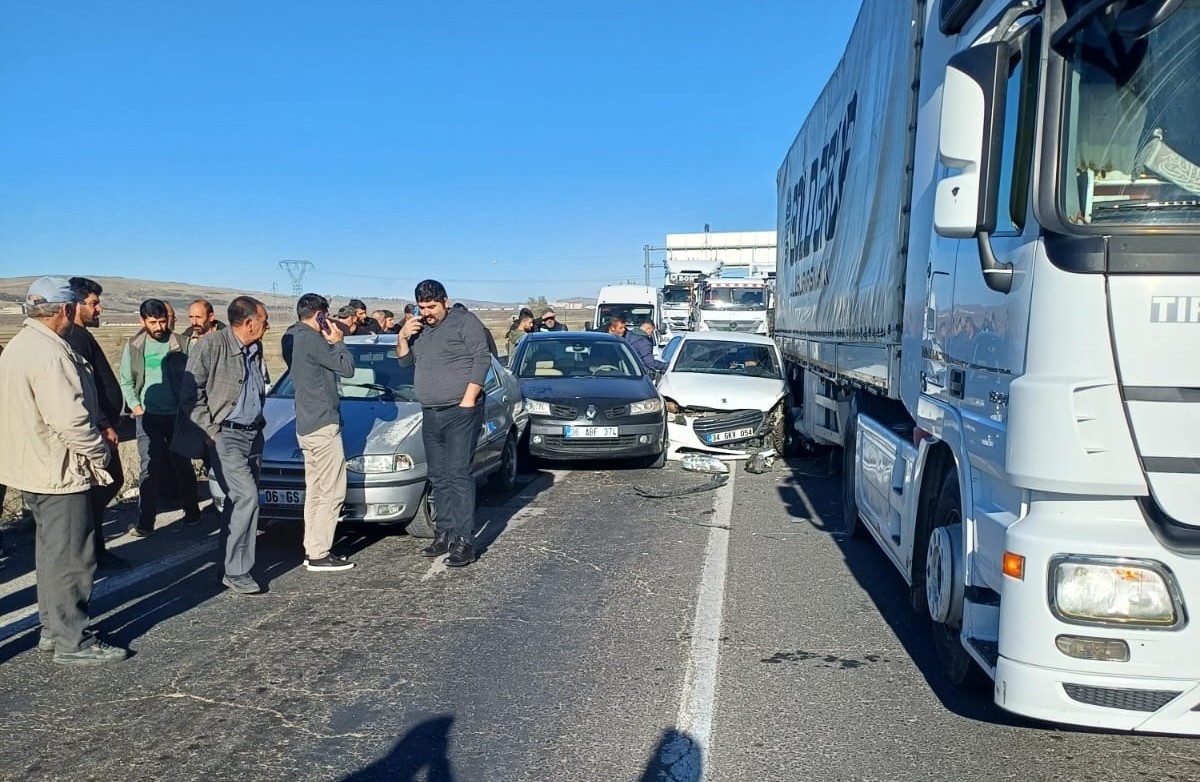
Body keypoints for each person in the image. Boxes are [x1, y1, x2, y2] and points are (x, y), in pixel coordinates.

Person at [0, 277, 127, 664]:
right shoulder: (52, 354)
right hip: (59, 470)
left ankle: (53, 630)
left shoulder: (19, 347)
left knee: (52, 555)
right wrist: (98, 453)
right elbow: (71, 421)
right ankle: (73, 639)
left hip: (31, 468)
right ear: (66, 310)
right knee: (74, 556)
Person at [173, 296, 271, 595]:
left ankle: (225, 565)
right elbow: (190, 394)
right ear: (249, 322)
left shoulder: (256, 347)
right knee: (247, 497)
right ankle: (236, 570)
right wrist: (211, 430)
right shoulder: (211, 346)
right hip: (224, 434)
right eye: (264, 322)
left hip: (253, 434)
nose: (267, 327)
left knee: (236, 501)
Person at [396, 280, 491, 568]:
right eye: (422, 307)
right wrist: (402, 337)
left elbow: (482, 358)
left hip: (460, 410)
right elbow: (404, 363)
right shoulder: (419, 329)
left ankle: (464, 541)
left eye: (432, 307)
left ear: (445, 302)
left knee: (459, 474)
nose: (427, 313)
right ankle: (445, 532)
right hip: (431, 412)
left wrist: (468, 399)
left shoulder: (465, 322)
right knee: (438, 476)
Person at [282, 294, 356, 572]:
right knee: (333, 490)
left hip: (305, 423)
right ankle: (320, 552)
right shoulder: (312, 339)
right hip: (323, 422)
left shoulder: (291, 337)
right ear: (320, 315)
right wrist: (338, 342)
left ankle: (312, 547)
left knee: (314, 490)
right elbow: (347, 369)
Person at [119, 299, 200, 536]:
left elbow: (195, 377)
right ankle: (145, 522)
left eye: (162, 321)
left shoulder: (182, 344)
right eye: (153, 322)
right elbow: (126, 380)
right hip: (148, 417)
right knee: (149, 468)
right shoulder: (134, 346)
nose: (158, 327)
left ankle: (192, 512)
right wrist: (135, 407)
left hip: (176, 416)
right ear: (142, 321)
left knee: (181, 464)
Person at [64, 277, 129, 570]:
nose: (99, 309)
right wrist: (104, 424)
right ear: (76, 305)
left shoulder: (81, 336)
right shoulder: (75, 338)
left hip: (102, 425)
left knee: (104, 486)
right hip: (97, 428)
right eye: (93, 303)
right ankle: (91, 549)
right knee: (103, 485)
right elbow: (84, 386)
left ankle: (94, 547)